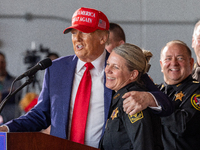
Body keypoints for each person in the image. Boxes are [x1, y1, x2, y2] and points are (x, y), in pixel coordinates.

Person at [0, 7, 172, 148]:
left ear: (103, 38)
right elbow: (40, 115)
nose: (77, 39)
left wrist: (148, 97)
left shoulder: (119, 70)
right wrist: (6, 128)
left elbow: (165, 103)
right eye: (74, 33)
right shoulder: (57, 69)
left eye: (84, 32)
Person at [99, 43, 163, 150]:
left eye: (115, 67)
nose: (107, 70)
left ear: (133, 75)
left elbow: (143, 146)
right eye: (108, 64)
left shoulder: (134, 101)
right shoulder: (119, 97)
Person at [158, 40, 200, 150]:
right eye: (168, 59)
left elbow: (184, 126)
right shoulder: (157, 91)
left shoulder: (197, 90)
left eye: (180, 58)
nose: (174, 63)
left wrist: (155, 105)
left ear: (191, 63)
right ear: (161, 65)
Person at [0, 52, 22, 123]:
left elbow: (15, 97)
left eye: (2, 62)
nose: (0, 65)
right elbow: (10, 96)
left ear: (5, 63)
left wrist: (1, 96)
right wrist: (8, 93)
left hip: (12, 122)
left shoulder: (16, 81)